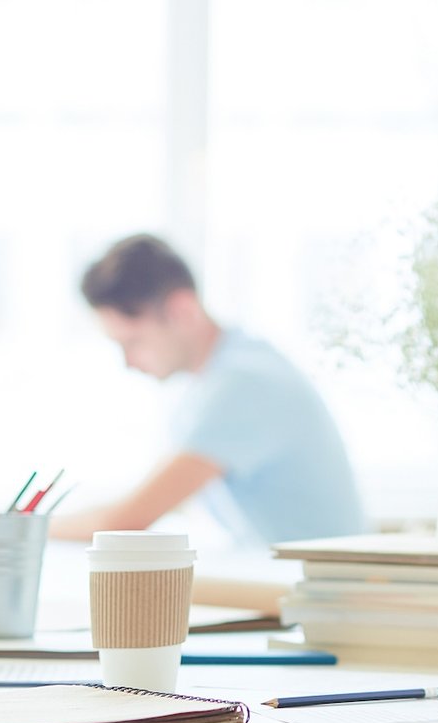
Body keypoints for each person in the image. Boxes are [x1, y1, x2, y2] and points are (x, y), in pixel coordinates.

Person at [56, 233, 366, 550]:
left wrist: (23, 530)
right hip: (292, 579)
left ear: (182, 310)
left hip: (314, 590)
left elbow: (124, 523)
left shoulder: (244, 384)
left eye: (133, 342)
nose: (128, 363)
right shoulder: (227, 372)